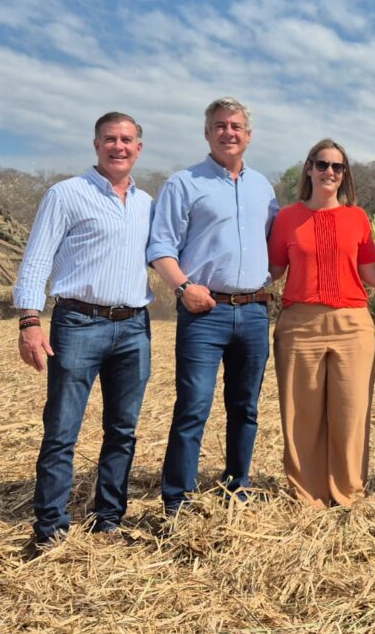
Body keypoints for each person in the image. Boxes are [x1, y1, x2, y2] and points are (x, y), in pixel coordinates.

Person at [13, 112, 152, 548]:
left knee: (123, 430)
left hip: (134, 327)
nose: (118, 146)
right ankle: (50, 528)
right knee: (62, 429)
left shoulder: (148, 204)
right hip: (78, 323)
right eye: (110, 139)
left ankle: (107, 519)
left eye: (126, 140)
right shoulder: (66, 194)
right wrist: (30, 321)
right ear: (96, 145)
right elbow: (37, 259)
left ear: (138, 148)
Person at [148, 97, 279, 516]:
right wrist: (184, 287)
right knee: (194, 405)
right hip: (204, 312)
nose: (228, 133)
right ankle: (177, 498)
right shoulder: (183, 183)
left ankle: (237, 485)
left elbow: (274, 245)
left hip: (254, 312)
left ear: (249, 136)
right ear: (207, 133)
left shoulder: (263, 188)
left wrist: (267, 280)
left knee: (246, 406)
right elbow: (160, 247)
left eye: (236, 126)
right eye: (220, 126)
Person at [268, 139, 375, 508]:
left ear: (344, 174)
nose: (329, 172)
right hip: (299, 325)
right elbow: (273, 271)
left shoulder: (357, 218)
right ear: (309, 168)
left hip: (353, 325)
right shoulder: (287, 218)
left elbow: (370, 272)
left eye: (337, 167)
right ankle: (307, 494)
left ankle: (348, 491)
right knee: (301, 413)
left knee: (350, 412)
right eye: (322, 164)